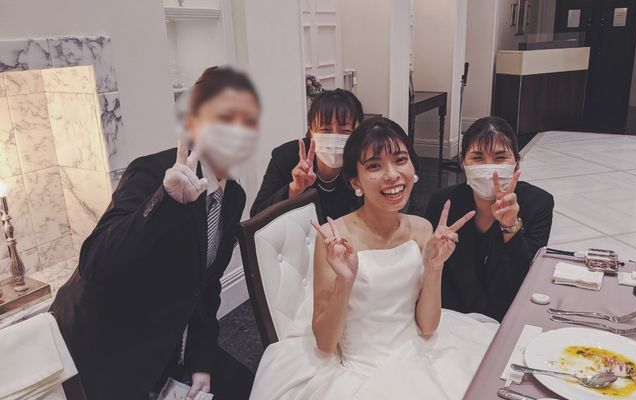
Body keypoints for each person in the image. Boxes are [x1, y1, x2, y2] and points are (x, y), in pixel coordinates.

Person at [249, 117, 498, 400]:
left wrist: (434, 267)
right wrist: (345, 282)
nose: (392, 175)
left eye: (400, 160)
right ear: (355, 181)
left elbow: (428, 327)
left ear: (414, 168)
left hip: (417, 353)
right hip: (358, 372)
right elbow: (326, 345)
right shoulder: (334, 238)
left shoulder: (422, 229)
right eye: (374, 166)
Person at [50, 66, 259, 400]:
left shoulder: (233, 197)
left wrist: (201, 360)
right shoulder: (151, 174)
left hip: (169, 340)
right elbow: (94, 262)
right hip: (101, 344)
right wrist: (166, 201)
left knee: (249, 388)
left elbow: (206, 287)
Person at [425, 116, 554, 322]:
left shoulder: (538, 204)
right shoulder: (443, 203)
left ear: (517, 162)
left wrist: (510, 227)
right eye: (477, 158)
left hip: (508, 317)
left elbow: (525, 277)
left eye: (500, 157)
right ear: (462, 163)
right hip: (452, 316)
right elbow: (435, 274)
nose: (490, 168)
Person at [250, 89, 364, 219]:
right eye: (325, 130)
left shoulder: (362, 163)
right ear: (311, 131)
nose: (334, 137)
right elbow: (257, 215)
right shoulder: (285, 157)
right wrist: (294, 189)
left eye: (345, 131)